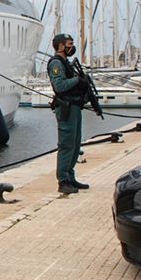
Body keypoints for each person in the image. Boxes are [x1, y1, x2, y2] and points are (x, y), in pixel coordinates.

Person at [47, 34, 92, 195]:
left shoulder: (66, 63)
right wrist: (77, 80)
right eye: (69, 44)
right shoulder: (56, 63)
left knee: (75, 143)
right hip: (66, 108)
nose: (71, 47)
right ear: (60, 46)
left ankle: (70, 176)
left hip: (74, 107)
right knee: (66, 144)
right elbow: (59, 85)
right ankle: (63, 180)